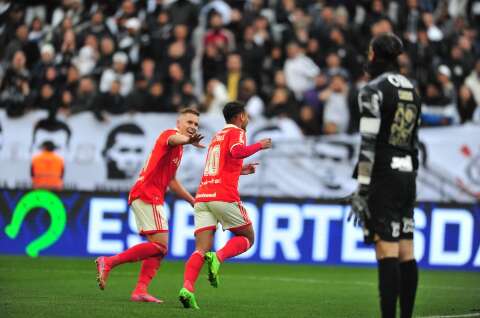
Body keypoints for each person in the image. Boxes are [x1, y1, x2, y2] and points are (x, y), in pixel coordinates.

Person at [95, 108, 205, 303]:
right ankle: (109, 262)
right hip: (147, 193)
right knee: (161, 246)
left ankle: (140, 290)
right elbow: (174, 139)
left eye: (196, 124)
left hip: (151, 195)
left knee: (159, 248)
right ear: (179, 123)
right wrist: (188, 140)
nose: (193, 127)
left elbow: (171, 181)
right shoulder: (170, 135)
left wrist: (192, 201)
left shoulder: (179, 149)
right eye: (189, 122)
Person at [348, 33, 421, 318]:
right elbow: (414, 140)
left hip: (384, 174)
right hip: (407, 174)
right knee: (407, 249)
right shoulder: (412, 89)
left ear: (375, 55)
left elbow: (368, 143)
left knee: (386, 249)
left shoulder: (372, 90)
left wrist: (362, 188)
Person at [178, 101, 272, 309]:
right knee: (247, 237)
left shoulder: (217, 136)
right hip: (223, 196)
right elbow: (238, 151)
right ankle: (218, 257)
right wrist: (260, 145)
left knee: (199, 249)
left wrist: (240, 171)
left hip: (203, 196)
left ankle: (187, 288)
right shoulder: (237, 132)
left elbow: (220, 165)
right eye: (246, 116)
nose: (246, 120)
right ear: (240, 117)